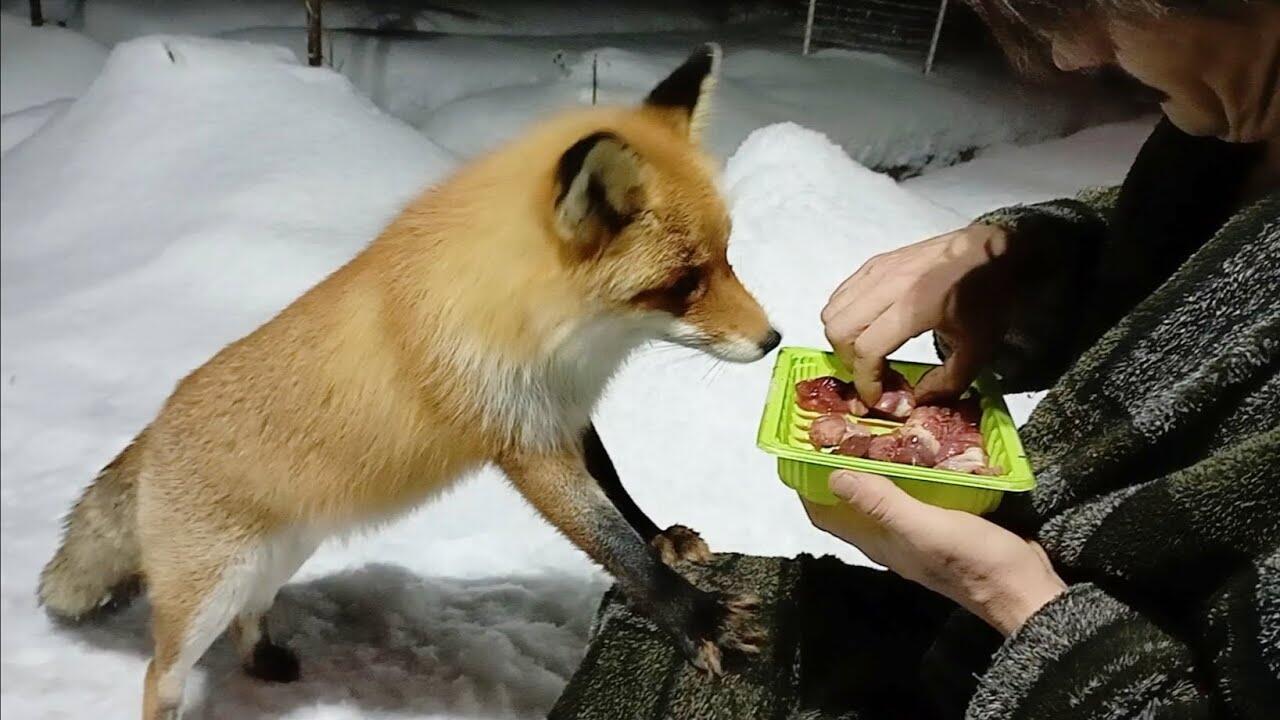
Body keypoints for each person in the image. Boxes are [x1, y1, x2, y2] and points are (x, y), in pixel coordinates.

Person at [552, 2, 1278, 719]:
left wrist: (1019, 604)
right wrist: (1022, 258)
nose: (1070, 56)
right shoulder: (1230, 123)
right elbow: (1186, 268)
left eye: (1104, 8)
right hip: (975, 631)